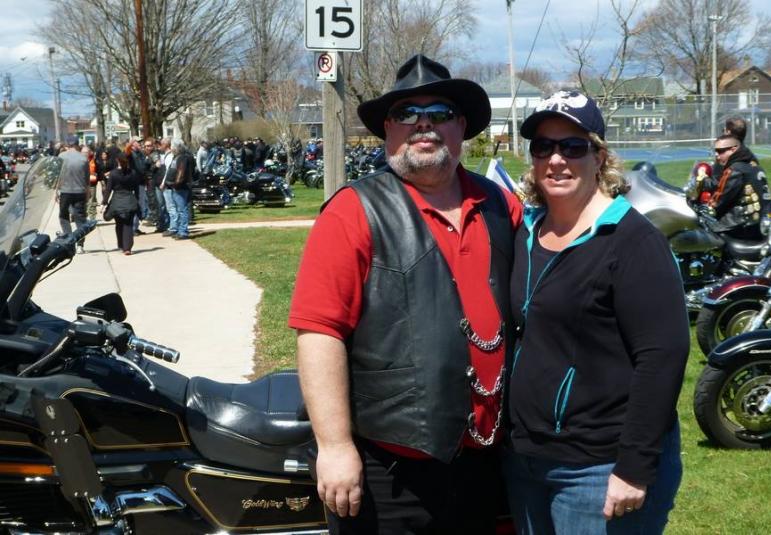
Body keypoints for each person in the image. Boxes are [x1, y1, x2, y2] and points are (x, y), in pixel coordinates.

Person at [289, 54, 522, 534]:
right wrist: (334, 447)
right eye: (406, 114)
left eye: (439, 113)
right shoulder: (353, 211)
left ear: (461, 127)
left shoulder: (501, 204)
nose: (423, 125)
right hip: (389, 472)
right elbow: (319, 331)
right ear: (388, 130)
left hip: (486, 460)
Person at [504, 90, 689, 534]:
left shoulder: (631, 240)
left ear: (599, 155)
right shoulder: (525, 232)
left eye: (572, 146)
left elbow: (663, 356)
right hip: (526, 458)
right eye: (543, 146)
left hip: (598, 469)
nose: (556, 159)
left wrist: (634, 467)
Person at [709, 134, 769, 239]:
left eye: (720, 151)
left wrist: (707, 207)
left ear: (733, 149)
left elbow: (719, 201)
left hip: (740, 227)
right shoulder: (755, 165)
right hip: (762, 223)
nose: (717, 155)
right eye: (715, 151)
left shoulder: (734, 170)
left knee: (706, 230)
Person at [57, 135, 90, 253]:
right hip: (80, 191)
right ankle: (80, 244)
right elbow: (87, 179)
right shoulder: (83, 159)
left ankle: (68, 239)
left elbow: (57, 176)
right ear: (77, 145)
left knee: (64, 216)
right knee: (80, 218)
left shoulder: (61, 157)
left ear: (67, 145)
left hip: (65, 191)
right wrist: (88, 193)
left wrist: (56, 191)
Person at [102, 154, 140, 255]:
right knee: (128, 224)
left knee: (119, 224)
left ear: (117, 161)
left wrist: (104, 202)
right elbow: (136, 189)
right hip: (130, 200)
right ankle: (127, 247)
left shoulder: (113, 174)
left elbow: (108, 189)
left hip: (117, 201)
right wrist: (137, 200)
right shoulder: (133, 173)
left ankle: (121, 245)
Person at [161, 139, 193, 240]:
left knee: (182, 210)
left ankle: (183, 231)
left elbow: (181, 173)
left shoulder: (183, 158)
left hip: (181, 187)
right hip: (175, 187)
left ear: (177, 148)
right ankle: (180, 230)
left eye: (173, 147)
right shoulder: (176, 157)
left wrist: (176, 183)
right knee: (179, 209)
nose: (171, 149)